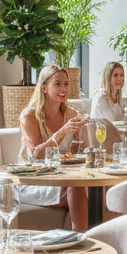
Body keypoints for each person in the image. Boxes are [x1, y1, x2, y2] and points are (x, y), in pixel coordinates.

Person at [19, 65, 88, 231]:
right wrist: (62, 132)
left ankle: (73, 241)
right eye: (57, 84)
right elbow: (37, 155)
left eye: (66, 84)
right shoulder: (29, 115)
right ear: (44, 87)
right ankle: (83, 241)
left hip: (63, 177)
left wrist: (77, 143)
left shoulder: (71, 114)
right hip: (35, 179)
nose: (63, 88)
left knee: (95, 189)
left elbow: (74, 155)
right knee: (79, 188)